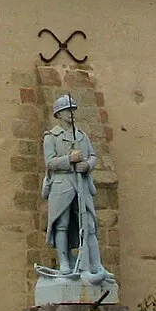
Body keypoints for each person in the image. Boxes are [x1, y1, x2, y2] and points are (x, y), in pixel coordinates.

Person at [43, 94, 114, 284]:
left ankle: (96, 265)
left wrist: (87, 166)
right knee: (62, 223)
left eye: (72, 110)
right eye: (67, 111)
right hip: (62, 183)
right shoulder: (51, 137)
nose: (71, 114)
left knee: (89, 225)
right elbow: (49, 162)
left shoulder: (82, 136)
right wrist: (69, 160)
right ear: (59, 114)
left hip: (81, 184)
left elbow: (92, 155)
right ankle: (64, 263)